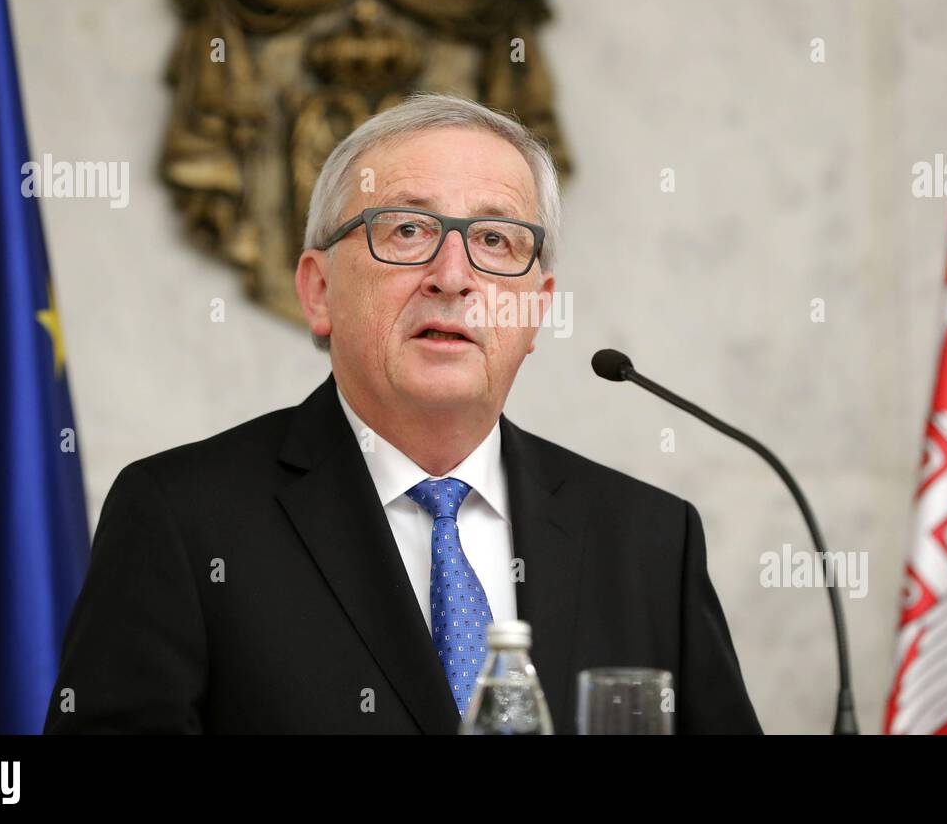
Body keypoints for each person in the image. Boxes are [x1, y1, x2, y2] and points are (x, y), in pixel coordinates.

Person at [44, 93, 761, 734]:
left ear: (536, 310)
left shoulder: (650, 541)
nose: (453, 277)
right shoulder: (182, 519)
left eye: (494, 240)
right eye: (409, 230)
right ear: (319, 289)